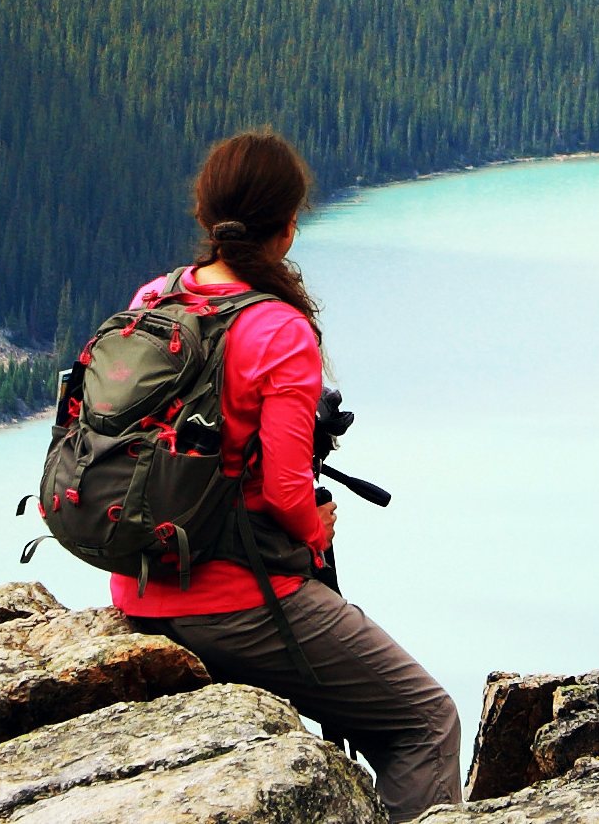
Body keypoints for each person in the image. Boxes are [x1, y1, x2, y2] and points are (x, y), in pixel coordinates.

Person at [107, 129, 464, 819]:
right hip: (235, 602)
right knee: (424, 721)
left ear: (206, 216)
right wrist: (315, 527)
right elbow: (282, 490)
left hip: (140, 585)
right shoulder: (279, 330)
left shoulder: (156, 296)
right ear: (289, 228)